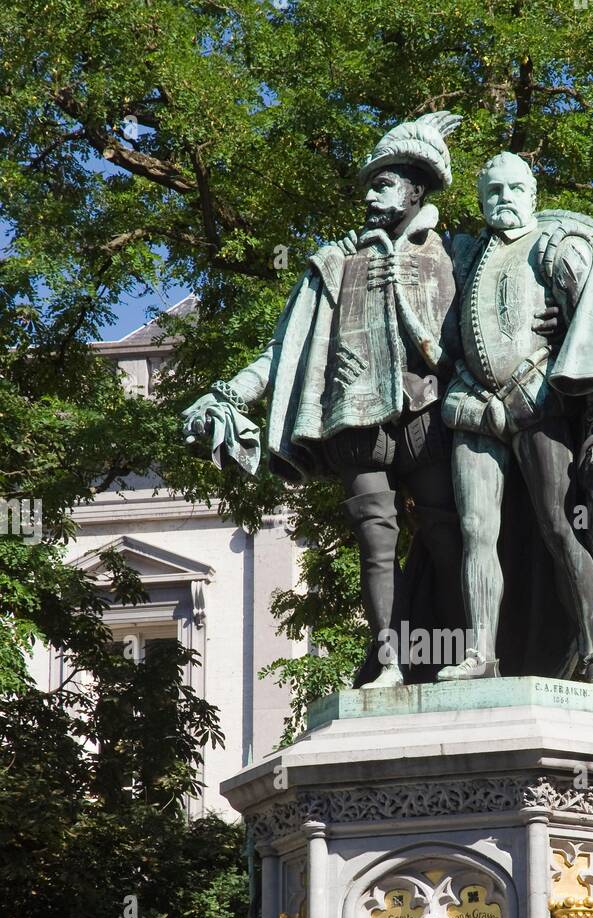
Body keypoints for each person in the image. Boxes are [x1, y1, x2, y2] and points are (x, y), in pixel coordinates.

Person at [182, 113, 465, 688]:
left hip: (429, 414)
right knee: (375, 543)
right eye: (369, 183)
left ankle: (465, 656)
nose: (369, 193)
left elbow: (485, 333)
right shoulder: (334, 263)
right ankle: (388, 660)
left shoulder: (455, 254)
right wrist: (231, 393)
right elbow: (284, 351)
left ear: (416, 188)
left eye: (383, 183)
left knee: (449, 535)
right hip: (357, 420)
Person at [437, 152, 593, 694]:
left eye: (515, 188)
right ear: (479, 199)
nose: (504, 199)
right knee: (475, 531)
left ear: (533, 192)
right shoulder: (465, 256)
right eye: (492, 191)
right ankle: (479, 654)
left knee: (561, 526)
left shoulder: (561, 245)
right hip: (472, 404)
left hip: (537, 398)